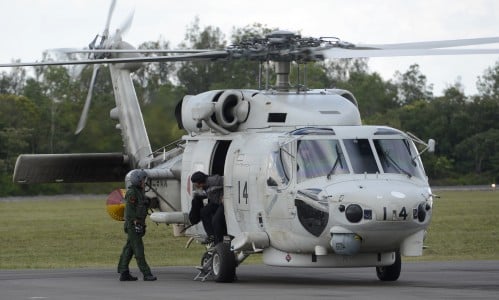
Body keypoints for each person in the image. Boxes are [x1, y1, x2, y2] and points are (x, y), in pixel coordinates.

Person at [117, 169, 157, 281]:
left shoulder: (140, 192)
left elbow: (143, 205)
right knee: (138, 249)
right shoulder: (132, 193)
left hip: (138, 223)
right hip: (133, 225)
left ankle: (123, 271)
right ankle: (146, 273)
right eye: (143, 180)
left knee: (129, 248)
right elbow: (129, 210)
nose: (145, 182)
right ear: (138, 181)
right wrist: (136, 222)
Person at [189, 171, 227, 245]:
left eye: (195, 183)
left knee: (216, 221)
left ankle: (218, 243)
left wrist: (225, 195)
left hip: (224, 203)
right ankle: (211, 235)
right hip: (216, 202)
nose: (195, 185)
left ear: (199, 182)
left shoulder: (215, 180)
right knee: (204, 212)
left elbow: (228, 183)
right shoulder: (204, 186)